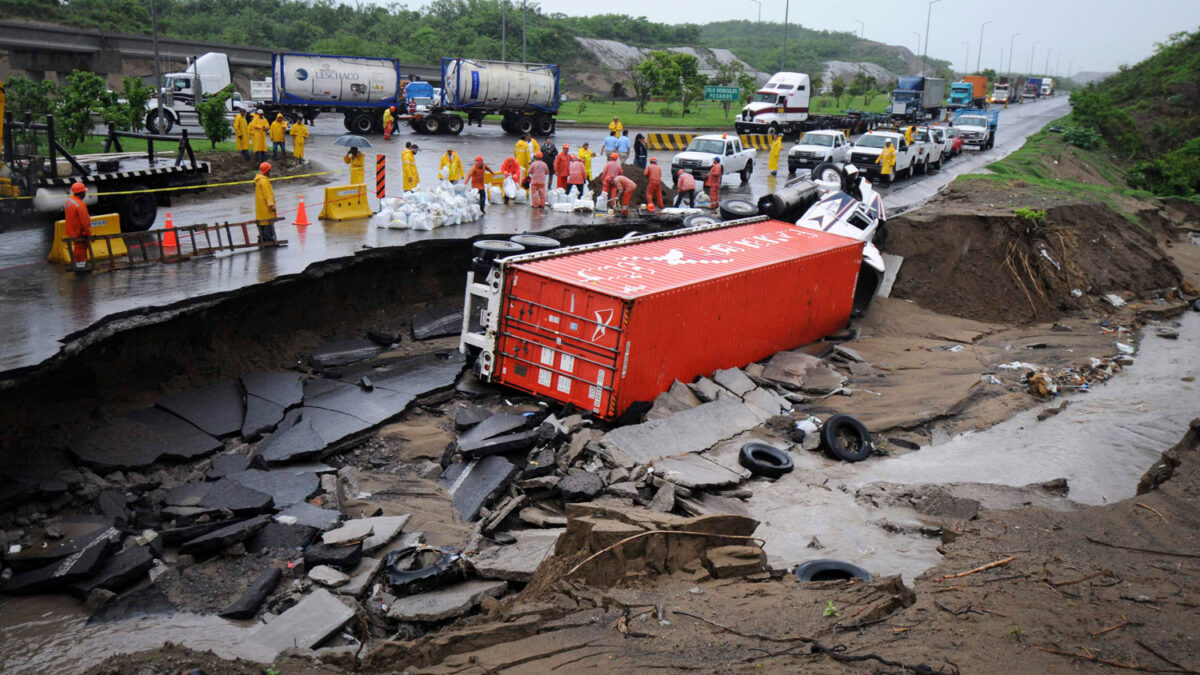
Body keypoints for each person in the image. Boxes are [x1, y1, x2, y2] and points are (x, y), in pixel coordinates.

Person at [63, 181, 92, 273]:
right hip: (79, 231)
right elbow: (85, 221)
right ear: (82, 193)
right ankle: (81, 266)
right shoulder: (80, 204)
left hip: (71, 229)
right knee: (81, 247)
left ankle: (79, 264)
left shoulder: (69, 201)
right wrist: (88, 232)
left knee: (77, 247)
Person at [254, 162, 277, 243]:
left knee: (262, 224)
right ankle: (267, 239)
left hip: (260, 210)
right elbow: (267, 195)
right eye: (269, 170)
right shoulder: (264, 181)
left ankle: (262, 237)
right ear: (267, 171)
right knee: (267, 224)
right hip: (266, 209)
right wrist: (271, 205)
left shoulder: (258, 181)